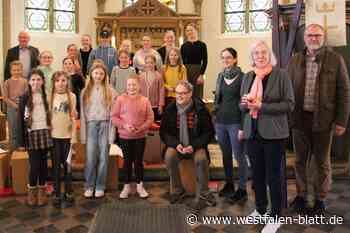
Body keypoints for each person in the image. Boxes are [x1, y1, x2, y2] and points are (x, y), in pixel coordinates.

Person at [287, 24, 350, 215]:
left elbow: (345, 91)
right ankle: (301, 195)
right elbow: (288, 89)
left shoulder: (335, 59)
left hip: (324, 120)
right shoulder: (295, 59)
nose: (313, 38)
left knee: (322, 162)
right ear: (304, 37)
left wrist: (341, 120)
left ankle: (320, 199)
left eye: (317, 35)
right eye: (310, 35)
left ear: (323, 37)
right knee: (299, 160)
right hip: (299, 119)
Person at [240, 40, 294, 233]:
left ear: (269, 55)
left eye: (263, 52)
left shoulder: (281, 75)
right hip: (252, 133)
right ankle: (261, 209)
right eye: (256, 53)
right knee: (257, 175)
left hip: (274, 134)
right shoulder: (248, 76)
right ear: (252, 57)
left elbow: (289, 104)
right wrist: (245, 103)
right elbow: (242, 105)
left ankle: (276, 216)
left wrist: (262, 106)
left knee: (274, 176)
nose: (260, 56)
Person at [160, 81, 215, 210]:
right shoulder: (170, 109)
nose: (179, 96)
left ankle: (204, 192)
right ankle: (177, 190)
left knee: (201, 159)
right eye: (177, 93)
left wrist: (194, 146)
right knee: (169, 156)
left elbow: (209, 133)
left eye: (183, 93)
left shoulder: (201, 109)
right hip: (177, 145)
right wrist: (176, 144)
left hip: (195, 145)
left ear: (190, 93)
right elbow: (164, 132)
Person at [213, 48, 248, 202]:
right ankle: (229, 184)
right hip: (220, 122)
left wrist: (242, 126)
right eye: (223, 57)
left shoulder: (243, 77)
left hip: (235, 122)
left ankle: (242, 188)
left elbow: (245, 104)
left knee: (239, 156)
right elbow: (218, 100)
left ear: (235, 59)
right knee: (226, 155)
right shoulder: (220, 76)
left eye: (228, 57)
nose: (225, 60)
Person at [111, 76, 154, 199]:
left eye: (134, 85)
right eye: (129, 85)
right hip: (125, 137)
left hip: (140, 136)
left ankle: (140, 185)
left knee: (138, 161)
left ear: (139, 86)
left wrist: (141, 128)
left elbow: (150, 118)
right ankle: (127, 186)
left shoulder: (145, 100)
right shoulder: (120, 99)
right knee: (127, 161)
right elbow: (114, 117)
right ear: (126, 86)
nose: (132, 87)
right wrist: (124, 125)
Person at [80, 63, 116, 198]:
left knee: (103, 157)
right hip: (91, 125)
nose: (98, 76)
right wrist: (83, 135)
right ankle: (89, 185)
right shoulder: (85, 91)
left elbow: (113, 114)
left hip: (105, 125)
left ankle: (100, 185)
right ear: (91, 74)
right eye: (96, 73)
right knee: (90, 157)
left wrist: (111, 136)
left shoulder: (111, 91)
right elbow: (83, 114)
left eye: (101, 73)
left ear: (105, 75)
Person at [19, 69, 52, 207]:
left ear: (43, 81)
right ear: (29, 81)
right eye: (33, 79)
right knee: (34, 165)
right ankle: (31, 192)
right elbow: (20, 119)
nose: (35, 82)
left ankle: (42, 192)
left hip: (44, 132)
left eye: (38, 79)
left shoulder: (47, 96)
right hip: (31, 134)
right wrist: (22, 140)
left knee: (44, 164)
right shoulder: (25, 97)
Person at [50, 71, 77, 207]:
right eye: (57, 81)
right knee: (56, 167)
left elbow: (73, 118)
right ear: (53, 83)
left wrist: (73, 138)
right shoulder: (50, 96)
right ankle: (56, 192)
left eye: (63, 80)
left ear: (67, 82)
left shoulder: (72, 96)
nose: (60, 83)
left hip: (67, 138)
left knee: (68, 166)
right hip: (54, 138)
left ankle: (68, 190)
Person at [3, 61, 28, 151]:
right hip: (12, 109)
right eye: (14, 70)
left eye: (18, 70)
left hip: (23, 109)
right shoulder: (7, 82)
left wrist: (21, 104)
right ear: (10, 71)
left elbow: (27, 95)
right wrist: (15, 105)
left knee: (21, 128)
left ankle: (22, 148)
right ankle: (13, 150)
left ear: (21, 70)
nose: (16, 72)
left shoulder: (25, 81)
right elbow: (5, 98)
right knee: (13, 130)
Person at [180, 23, 207, 99]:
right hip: (186, 70)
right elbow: (181, 61)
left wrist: (201, 75)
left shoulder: (202, 45)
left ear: (196, 30)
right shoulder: (184, 46)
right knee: (187, 92)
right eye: (187, 30)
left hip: (198, 71)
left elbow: (205, 61)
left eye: (191, 30)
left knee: (197, 94)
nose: (189, 32)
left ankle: (198, 110)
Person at [139, 54, 165, 121]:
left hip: (155, 105)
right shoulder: (141, 76)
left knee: (155, 122)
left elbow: (161, 91)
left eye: (151, 62)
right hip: (143, 105)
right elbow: (139, 91)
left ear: (155, 63)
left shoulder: (159, 76)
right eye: (147, 63)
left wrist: (160, 105)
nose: (149, 64)